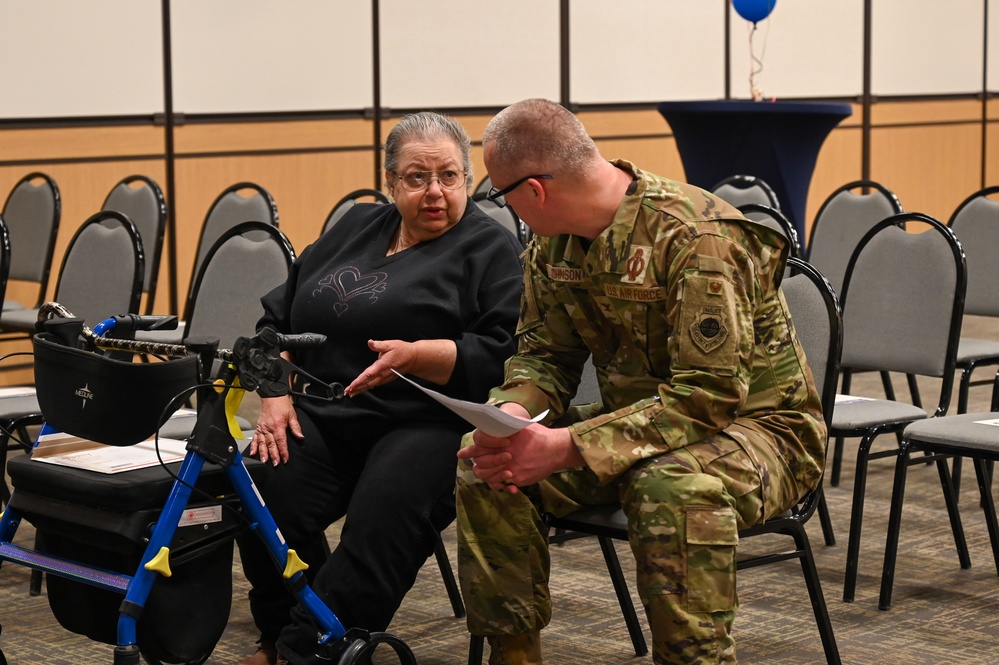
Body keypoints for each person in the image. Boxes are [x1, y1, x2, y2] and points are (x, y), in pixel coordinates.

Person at [455, 98, 827, 665]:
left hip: (763, 430)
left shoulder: (697, 239)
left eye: (500, 194)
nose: (504, 208)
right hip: (645, 425)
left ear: (535, 191)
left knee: (669, 489)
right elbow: (545, 358)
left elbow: (708, 397)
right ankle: (516, 652)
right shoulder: (551, 246)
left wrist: (566, 447)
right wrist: (510, 416)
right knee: (485, 464)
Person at [236, 111, 524, 665]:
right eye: (416, 178)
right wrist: (273, 394)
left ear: (467, 178)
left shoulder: (489, 249)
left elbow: (504, 353)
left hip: (428, 420)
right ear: (391, 182)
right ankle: (284, 633)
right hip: (327, 406)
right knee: (263, 495)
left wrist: (419, 356)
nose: (435, 192)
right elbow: (277, 321)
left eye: (449, 176)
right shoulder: (357, 226)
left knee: (383, 516)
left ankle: (309, 652)